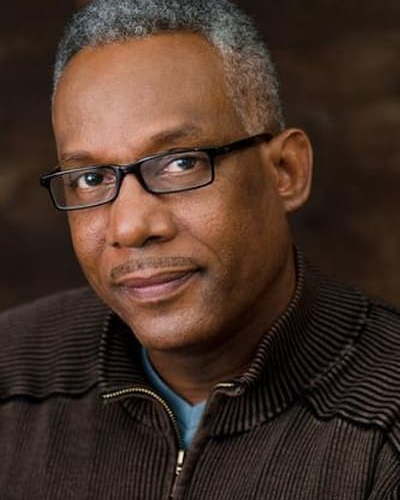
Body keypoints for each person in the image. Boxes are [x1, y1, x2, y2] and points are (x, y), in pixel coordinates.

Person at [1, 0, 399, 498]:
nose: (130, 226)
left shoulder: (385, 427)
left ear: (285, 171)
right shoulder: (11, 377)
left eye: (180, 163)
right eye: (91, 178)